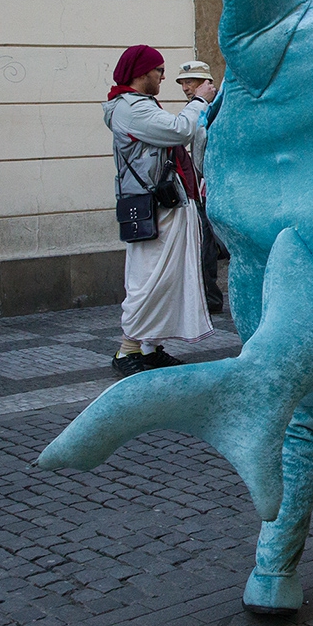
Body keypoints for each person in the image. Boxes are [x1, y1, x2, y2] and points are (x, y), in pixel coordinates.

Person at [105, 44, 213, 377]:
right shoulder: (130, 108)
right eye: (159, 71)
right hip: (153, 207)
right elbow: (180, 129)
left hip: (165, 204)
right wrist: (199, 101)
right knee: (148, 279)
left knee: (167, 279)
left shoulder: (139, 105)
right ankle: (127, 350)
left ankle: (150, 348)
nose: (163, 77)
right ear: (141, 73)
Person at [175, 60, 227, 313]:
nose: (185, 87)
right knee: (204, 243)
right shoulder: (194, 108)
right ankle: (209, 297)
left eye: (190, 82)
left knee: (210, 242)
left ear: (205, 82)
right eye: (183, 83)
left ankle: (211, 298)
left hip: (216, 186)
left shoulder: (219, 108)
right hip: (200, 187)